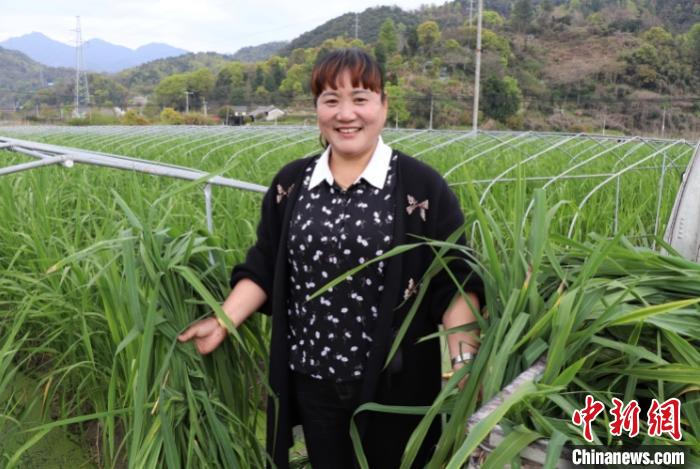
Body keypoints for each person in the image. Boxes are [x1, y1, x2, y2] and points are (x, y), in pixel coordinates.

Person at [178, 48, 484, 469]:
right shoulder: (292, 184)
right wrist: (222, 320)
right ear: (317, 108)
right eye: (330, 100)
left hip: (396, 389)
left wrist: (466, 364)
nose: (346, 114)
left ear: (383, 104)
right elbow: (266, 263)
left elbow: (453, 282)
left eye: (360, 98)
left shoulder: (420, 186)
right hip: (312, 381)